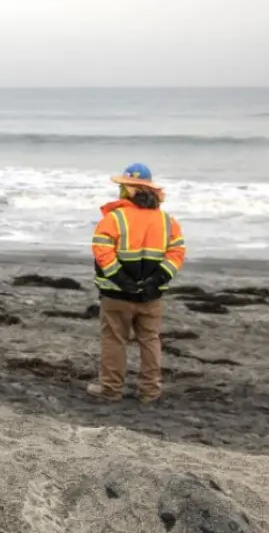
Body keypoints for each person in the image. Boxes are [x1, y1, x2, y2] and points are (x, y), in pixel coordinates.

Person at [87, 163, 187, 403]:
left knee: (114, 339)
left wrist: (121, 279)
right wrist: (157, 279)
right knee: (150, 340)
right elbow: (177, 253)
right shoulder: (167, 221)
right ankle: (150, 391)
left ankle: (111, 389)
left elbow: (102, 251)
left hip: (116, 295)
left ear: (129, 190)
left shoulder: (114, 218)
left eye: (124, 186)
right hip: (151, 296)